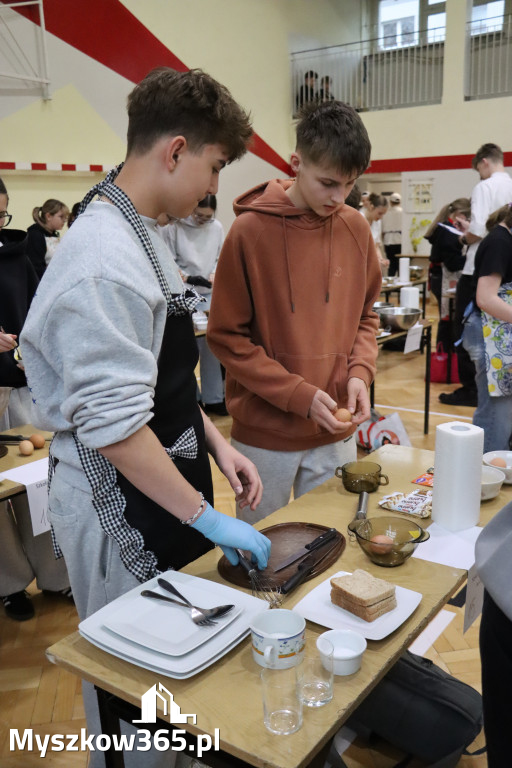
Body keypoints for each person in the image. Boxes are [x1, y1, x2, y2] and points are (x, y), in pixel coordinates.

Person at [21, 67, 270, 768]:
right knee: (133, 689)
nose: (212, 188)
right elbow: (113, 429)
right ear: (176, 150)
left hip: (169, 483)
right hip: (119, 502)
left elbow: (159, 381)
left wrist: (218, 446)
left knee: (173, 674)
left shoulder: (143, 230)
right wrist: (207, 516)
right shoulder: (102, 258)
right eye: (214, 167)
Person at [207, 99, 381, 523]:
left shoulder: (356, 228)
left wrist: (360, 373)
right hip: (264, 438)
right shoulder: (249, 231)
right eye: (327, 183)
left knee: (329, 542)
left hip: (335, 432)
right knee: (259, 552)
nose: (338, 198)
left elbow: (366, 316)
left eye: (349, 185)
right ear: (296, 162)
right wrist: (299, 397)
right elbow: (227, 337)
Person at [0, 177, 71, 622]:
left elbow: (35, 313)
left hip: (23, 385)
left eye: (1, 214)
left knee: (39, 484)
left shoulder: (17, 255)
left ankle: (55, 573)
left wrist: (34, 350)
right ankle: (8, 584)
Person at [440, 143, 512, 407]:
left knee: (465, 331)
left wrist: (462, 238)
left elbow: (479, 229)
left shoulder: (485, 186)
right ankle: (495, 386)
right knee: (500, 333)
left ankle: (471, 389)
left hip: (477, 269)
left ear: (484, 162)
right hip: (506, 269)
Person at [161, 194, 227, 415]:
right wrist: (188, 278)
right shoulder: (175, 227)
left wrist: (213, 274)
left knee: (212, 348)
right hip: (183, 293)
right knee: (186, 351)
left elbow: (220, 256)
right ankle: (194, 399)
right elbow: (168, 258)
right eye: (199, 215)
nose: (202, 220)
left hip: (209, 293)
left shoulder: (216, 227)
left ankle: (215, 398)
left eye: (207, 217)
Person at [461, 203, 512, 452]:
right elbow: (486, 298)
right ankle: (485, 477)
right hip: (487, 335)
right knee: (496, 417)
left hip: (498, 334)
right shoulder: (499, 243)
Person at [424, 198, 471, 351]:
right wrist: (472, 259)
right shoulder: (447, 230)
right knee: (447, 320)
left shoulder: (445, 228)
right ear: (460, 215)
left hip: (440, 276)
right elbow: (451, 263)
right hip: (443, 278)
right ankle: (445, 357)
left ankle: (447, 355)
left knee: (449, 319)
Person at [26, 198, 69, 278]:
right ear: (48, 216)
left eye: (65, 218)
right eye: (61, 217)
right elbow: (35, 267)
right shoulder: (35, 235)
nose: (64, 221)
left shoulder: (55, 235)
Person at [361, 192, 389, 269]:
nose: (381, 217)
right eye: (379, 213)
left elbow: (376, 246)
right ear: (371, 207)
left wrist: (380, 259)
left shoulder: (377, 222)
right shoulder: (360, 218)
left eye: (383, 214)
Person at [382, 192, 402, 276]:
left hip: (388, 241)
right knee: (400, 265)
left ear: (390, 202)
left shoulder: (385, 213)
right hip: (399, 240)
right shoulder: (403, 212)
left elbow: (382, 230)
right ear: (400, 202)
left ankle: (391, 285)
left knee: (391, 266)